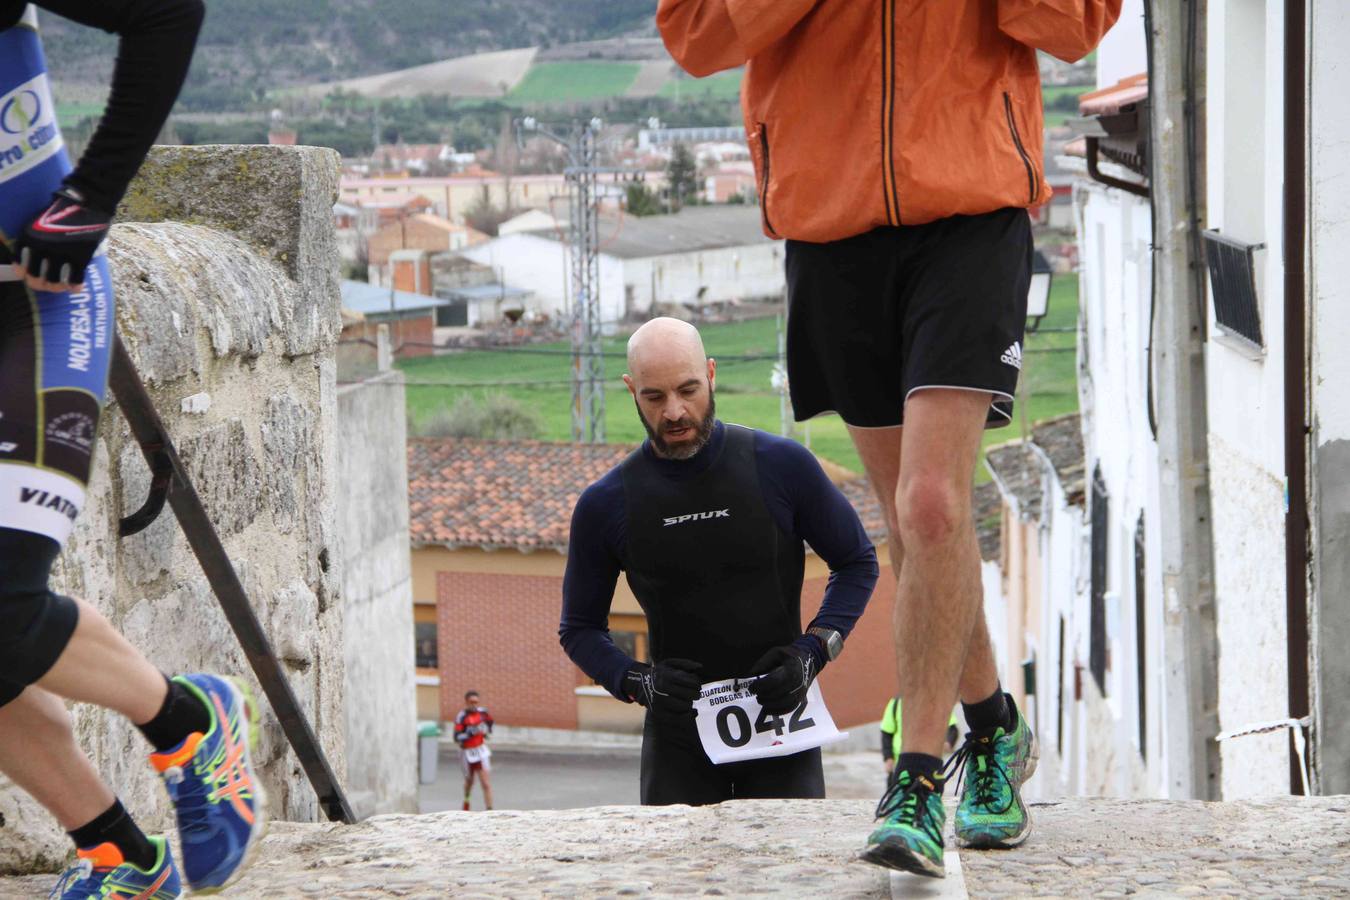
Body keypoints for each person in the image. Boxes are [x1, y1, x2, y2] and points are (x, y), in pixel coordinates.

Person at [656, 0, 1121, 879]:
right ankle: (993, 731)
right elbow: (695, 37)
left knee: (935, 504)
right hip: (832, 230)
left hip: (973, 211)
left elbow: (1074, 25)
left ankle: (916, 780)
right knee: (912, 529)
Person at [0, 3, 266, 898]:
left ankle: (190, 722)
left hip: (32, 304)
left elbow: (165, 12)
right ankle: (120, 855)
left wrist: (93, 197)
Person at [559, 317, 879, 806]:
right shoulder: (606, 503)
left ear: (711, 374)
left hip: (781, 723)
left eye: (688, 389)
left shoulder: (781, 465)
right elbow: (579, 628)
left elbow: (857, 561)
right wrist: (636, 681)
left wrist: (812, 653)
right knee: (683, 881)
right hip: (677, 736)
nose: (674, 412)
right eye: (654, 397)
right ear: (630, 390)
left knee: (788, 877)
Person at [880, 698, 959, 777]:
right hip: (900, 764)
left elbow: (952, 729)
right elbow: (887, 733)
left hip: (930, 764)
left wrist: (949, 742)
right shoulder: (896, 703)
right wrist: (888, 758)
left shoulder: (938, 703)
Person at [453, 690, 494, 811]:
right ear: (466, 702)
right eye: (471, 702)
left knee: (486, 783)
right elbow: (456, 737)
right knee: (470, 781)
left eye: (476, 702)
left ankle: (490, 809)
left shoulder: (483, 713)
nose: (474, 705)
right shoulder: (462, 717)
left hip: (480, 751)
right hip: (467, 752)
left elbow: (490, 722)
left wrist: (488, 732)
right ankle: (466, 800)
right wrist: (469, 733)